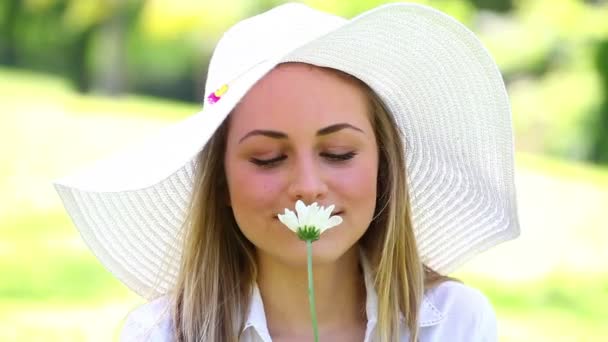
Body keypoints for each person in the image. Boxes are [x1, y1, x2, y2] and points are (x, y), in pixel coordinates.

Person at [53, 2, 520, 342]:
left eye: (337, 152)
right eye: (267, 158)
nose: (307, 187)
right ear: (220, 182)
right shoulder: (160, 335)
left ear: (384, 168)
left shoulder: (454, 323)